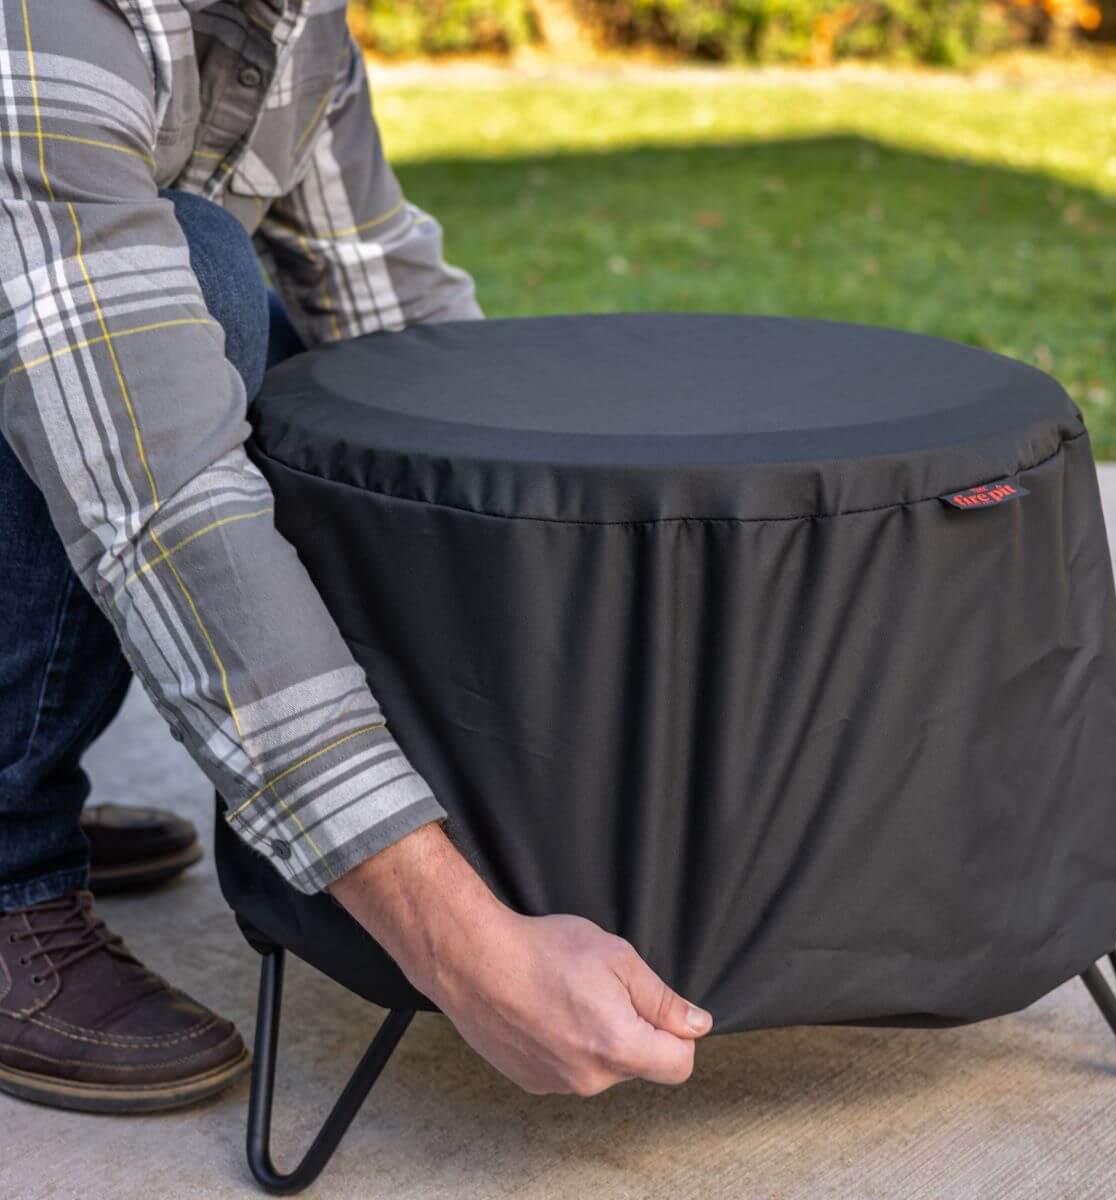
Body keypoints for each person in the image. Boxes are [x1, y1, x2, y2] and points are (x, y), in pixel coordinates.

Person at [0, 0, 711, 1115]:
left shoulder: (298, 26)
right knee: (195, 286)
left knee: (295, 372)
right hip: (89, 397)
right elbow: (155, 490)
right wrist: (459, 944)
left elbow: (389, 321)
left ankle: (22, 771)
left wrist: (566, 586)